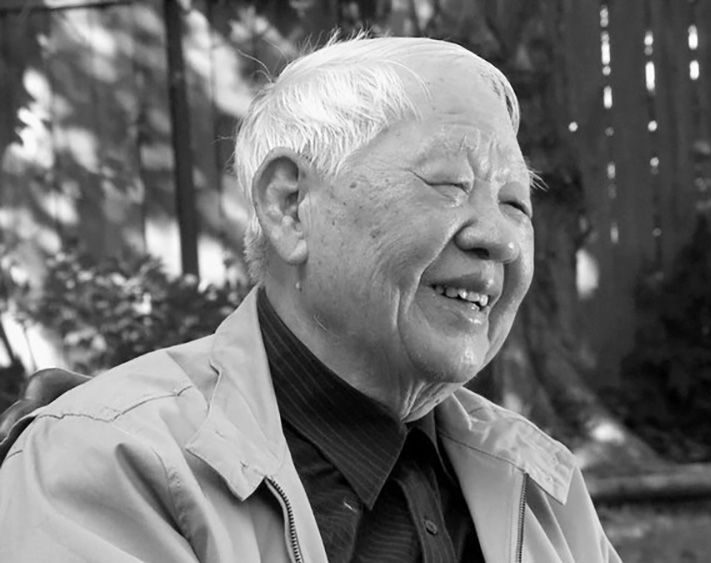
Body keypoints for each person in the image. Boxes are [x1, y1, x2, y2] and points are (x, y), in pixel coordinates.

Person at [0, 36, 621, 562]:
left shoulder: (538, 481)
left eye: (516, 203)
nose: (501, 240)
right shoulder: (106, 460)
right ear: (291, 207)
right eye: (450, 184)